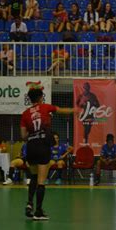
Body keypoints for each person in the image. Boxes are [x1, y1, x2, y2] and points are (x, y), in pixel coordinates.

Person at [20, 88, 73, 220]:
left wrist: (32, 133)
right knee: (41, 181)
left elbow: (23, 136)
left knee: (33, 176)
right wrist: (75, 110)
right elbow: (61, 110)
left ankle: (29, 204)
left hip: (31, 146)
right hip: (42, 145)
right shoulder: (45, 107)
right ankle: (38, 212)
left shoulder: (25, 113)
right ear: (40, 98)